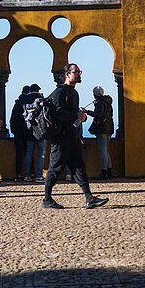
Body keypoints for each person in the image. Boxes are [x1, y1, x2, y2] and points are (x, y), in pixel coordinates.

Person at [42, 64, 109, 210]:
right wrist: (76, 115)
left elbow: (73, 117)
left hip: (72, 137)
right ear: (67, 74)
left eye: (79, 72)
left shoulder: (74, 93)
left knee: (79, 168)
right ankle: (46, 199)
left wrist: (80, 127)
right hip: (60, 138)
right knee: (55, 168)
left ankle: (89, 198)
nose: (79, 74)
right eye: (76, 72)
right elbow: (57, 113)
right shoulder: (60, 92)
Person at [87, 86, 115, 179]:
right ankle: (109, 171)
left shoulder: (100, 102)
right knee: (106, 150)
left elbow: (99, 114)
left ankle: (104, 172)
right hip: (109, 127)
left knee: (103, 150)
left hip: (102, 128)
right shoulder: (108, 102)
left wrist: (87, 111)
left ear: (95, 94)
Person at [10, 85, 34, 180]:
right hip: (28, 131)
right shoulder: (29, 103)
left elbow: (13, 119)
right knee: (29, 152)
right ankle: (31, 173)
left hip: (18, 132)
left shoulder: (17, 103)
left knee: (19, 154)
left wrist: (14, 131)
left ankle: (18, 174)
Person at [23, 83, 46, 181]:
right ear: (38, 90)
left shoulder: (23, 100)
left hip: (28, 129)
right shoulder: (41, 99)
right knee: (42, 153)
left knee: (29, 152)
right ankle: (38, 175)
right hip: (39, 129)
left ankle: (27, 175)